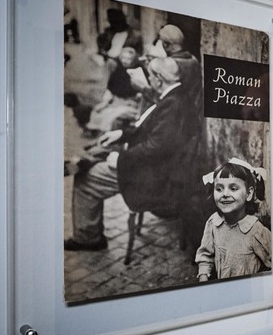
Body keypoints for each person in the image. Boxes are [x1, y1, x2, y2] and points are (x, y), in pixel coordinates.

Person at [64, 56, 194, 251]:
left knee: (86, 180)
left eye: (150, 76)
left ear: (158, 79)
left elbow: (157, 147)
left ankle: (88, 238)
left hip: (154, 177)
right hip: (155, 167)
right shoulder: (175, 96)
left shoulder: (172, 104)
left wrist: (121, 160)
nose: (148, 80)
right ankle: (84, 160)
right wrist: (122, 133)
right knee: (100, 150)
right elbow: (152, 132)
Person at [195, 158, 271, 281]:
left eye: (233, 188)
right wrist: (203, 279)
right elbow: (205, 257)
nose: (225, 194)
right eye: (219, 189)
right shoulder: (214, 223)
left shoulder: (255, 231)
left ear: (249, 194)